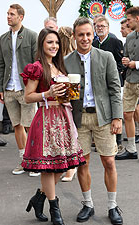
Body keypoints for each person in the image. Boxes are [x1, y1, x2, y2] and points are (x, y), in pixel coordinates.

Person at [20, 28, 86, 225]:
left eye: (56, 43)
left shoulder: (59, 66)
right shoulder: (37, 67)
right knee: (48, 167)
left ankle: (39, 197)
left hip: (63, 117)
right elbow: (27, 96)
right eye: (50, 42)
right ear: (42, 44)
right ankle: (54, 208)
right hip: (46, 119)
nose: (54, 46)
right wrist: (47, 93)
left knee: (66, 164)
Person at [64, 17, 123, 225]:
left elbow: (115, 89)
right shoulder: (66, 61)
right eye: (81, 34)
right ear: (74, 36)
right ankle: (88, 204)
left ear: (93, 34)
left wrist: (117, 117)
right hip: (78, 118)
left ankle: (112, 205)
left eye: (89, 34)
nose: (85, 38)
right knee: (83, 163)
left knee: (109, 161)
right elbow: (63, 95)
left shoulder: (106, 57)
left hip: (104, 117)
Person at [0, 4, 39, 176]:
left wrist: (33, 88)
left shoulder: (31, 36)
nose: (8, 16)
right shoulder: (3, 38)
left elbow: (37, 64)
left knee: (30, 126)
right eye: (7, 14)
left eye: (12, 14)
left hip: (25, 88)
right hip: (9, 88)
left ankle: (35, 160)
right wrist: (0, 88)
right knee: (17, 125)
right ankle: (23, 160)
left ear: (21, 17)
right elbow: (0, 64)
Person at [115, 7, 139, 164]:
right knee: (127, 115)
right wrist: (126, 61)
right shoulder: (130, 37)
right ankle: (131, 149)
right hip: (130, 80)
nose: (127, 22)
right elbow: (127, 57)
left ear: (137, 19)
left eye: (129, 19)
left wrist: (135, 64)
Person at [92, 16, 124, 154]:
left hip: (113, 81)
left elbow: (121, 63)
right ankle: (102, 139)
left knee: (116, 110)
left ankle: (119, 141)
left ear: (108, 28)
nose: (99, 28)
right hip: (98, 84)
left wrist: (110, 72)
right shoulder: (93, 43)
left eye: (102, 26)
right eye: (97, 26)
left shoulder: (115, 42)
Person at [120, 19, 139, 143]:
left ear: (130, 30)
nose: (121, 30)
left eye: (124, 28)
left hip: (138, 79)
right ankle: (137, 133)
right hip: (129, 77)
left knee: (138, 107)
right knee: (133, 108)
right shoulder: (127, 42)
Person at [58, 26, 77, 182]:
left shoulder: (72, 57)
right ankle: (68, 166)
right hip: (62, 100)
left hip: (68, 100)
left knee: (69, 133)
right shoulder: (58, 58)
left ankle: (71, 167)